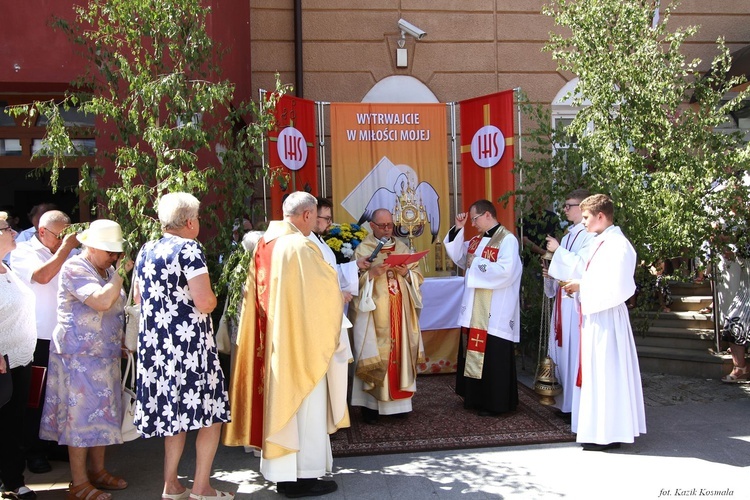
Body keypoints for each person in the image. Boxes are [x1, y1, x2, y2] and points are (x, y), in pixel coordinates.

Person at [223, 191, 346, 498]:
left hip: (272, 340)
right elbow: (325, 292)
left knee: (280, 404)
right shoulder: (300, 246)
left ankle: (282, 474)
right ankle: (303, 477)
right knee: (305, 406)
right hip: (300, 344)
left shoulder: (265, 243)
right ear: (307, 215)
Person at [132, 192, 232, 500]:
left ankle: (171, 485)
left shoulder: (146, 250)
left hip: (157, 347)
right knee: (211, 415)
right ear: (189, 221)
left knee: (172, 417)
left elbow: (138, 299)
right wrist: (215, 301)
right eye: (198, 218)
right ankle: (202, 488)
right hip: (189, 346)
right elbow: (204, 301)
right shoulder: (190, 248)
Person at [39, 219, 132, 499]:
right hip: (78, 357)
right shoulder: (75, 267)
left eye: (117, 253)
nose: (115, 257)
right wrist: (120, 276)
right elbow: (102, 301)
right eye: (110, 252)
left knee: (101, 415)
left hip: (103, 355)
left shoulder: (105, 268)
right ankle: (79, 482)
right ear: (91, 247)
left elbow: (115, 307)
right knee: (78, 420)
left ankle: (98, 472)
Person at [561, 194, 646, 451]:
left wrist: (581, 285)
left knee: (607, 373)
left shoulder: (618, 245)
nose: (583, 222)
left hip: (607, 317)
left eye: (586, 217)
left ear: (601, 216)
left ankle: (609, 432)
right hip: (596, 315)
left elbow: (618, 285)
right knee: (597, 373)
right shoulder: (601, 242)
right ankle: (599, 429)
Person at [10, 210, 79, 474]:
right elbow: (42, 276)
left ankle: (52, 444)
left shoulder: (67, 252)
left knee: (60, 395)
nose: (64, 240)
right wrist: (66, 249)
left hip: (64, 335)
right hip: (36, 336)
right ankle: (33, 451)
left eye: (66, 235)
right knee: (35, 399)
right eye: (59, 235)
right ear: (42, 232)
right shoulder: (23, 252)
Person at [443, 200, 522, 416]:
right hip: (476, 306)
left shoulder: (507, 240)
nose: (473, 224)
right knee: (475, 350)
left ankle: (496, 403)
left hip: (495, 308)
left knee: (494, 354)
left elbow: (507, 271)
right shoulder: (477, 240)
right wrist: (458, 228)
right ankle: (475, 398)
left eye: (475, 219)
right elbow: (461, 257)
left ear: (487, 215)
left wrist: (476, 263)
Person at [350, 208, 424, 424]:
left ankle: (399, 405)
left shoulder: (401, 246)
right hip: (375, 316)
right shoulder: (363, 249)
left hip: (400, 313)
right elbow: (352, 283)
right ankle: (372, 406)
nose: (386, 229)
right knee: (377, 352)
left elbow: (417, 277)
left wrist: (407, 273)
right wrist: (371, 275)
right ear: (371, 225)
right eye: (381, 225)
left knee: (399, 354)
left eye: (389, 225)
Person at [542, 189, 595, 421]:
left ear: (582, 207)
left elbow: (582, 267)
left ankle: (577, 406)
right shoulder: (567, 235)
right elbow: (562, 266)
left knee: (574, 355)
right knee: (561, 354)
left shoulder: (589, 235)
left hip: (575, 307)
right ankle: (564, 404)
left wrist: (558, 252)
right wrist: (549, 274)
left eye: (568, 205)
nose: (564, 209)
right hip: (562, 304)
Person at [0, 212, 38, 500]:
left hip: (20, 358)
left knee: (13, 423)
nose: (13, 232)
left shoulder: (5, 267)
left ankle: (12, 481)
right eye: (6, 228)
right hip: (2, 361)